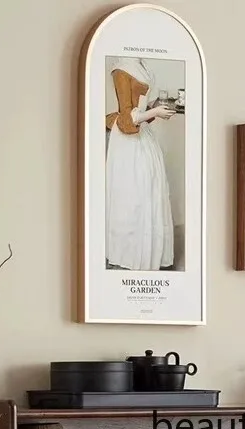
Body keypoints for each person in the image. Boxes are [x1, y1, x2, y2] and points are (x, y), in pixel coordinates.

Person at [105, 57, 176, 271]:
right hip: (127, 141)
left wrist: (155, 107)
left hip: (144, 137)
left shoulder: (142, 65)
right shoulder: (121, 69)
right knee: (132, 194)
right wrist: (155, 112)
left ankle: (149, 251)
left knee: (150, 191)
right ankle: (127, 253)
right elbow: (127, 117)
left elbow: (141, 113)